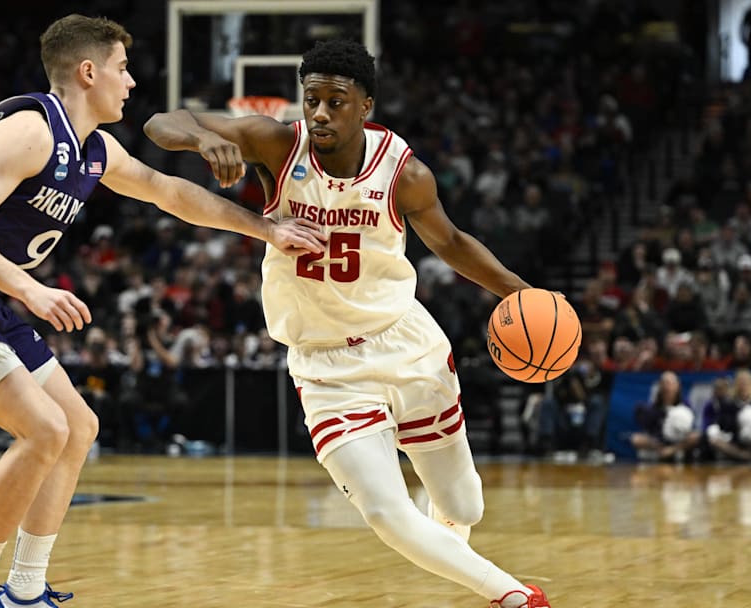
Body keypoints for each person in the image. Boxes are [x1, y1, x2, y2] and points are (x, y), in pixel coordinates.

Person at [0, 15, 325, 608]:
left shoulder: (93, 149)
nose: (132, 82)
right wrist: (30, 291)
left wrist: (265, 228)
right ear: (88, 72)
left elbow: (170, 192)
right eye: (122, 68)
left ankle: (26, 588)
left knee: (78, 429)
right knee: (44, 431)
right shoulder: (31, 131)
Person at [144, 39, 550, 608]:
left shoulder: (404, 174)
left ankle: (449, 552)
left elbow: (452, 243)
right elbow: (163, 121)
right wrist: (205, 136)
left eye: (336, 101)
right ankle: (513, 596)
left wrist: (523, 293)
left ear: (365, 106)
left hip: (406, 344)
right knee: (386, 511)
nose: (320, 113)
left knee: (464, 508)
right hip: (327, 369)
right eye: (311, 99)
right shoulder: (276, 143)